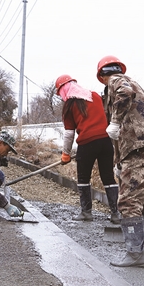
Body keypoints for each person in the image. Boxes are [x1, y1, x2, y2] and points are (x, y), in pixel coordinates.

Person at [96, 55, 144, 268]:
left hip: (139, 146)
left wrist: (115, 121)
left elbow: (124, 93)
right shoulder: (135, 85)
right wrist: (119, 163)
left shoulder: (117, 81)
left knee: (127, 201)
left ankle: (135, 254)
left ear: (101, 76)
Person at [55, 74, 121, 224]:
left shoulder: (69, 105)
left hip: (87, 143)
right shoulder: (95, 96)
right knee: (109, 178)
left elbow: (69, 133)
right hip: (105, 141)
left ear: (63, 90)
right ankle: (116, 214)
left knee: (83, 178)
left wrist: (65, 153)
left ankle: (86, 213)